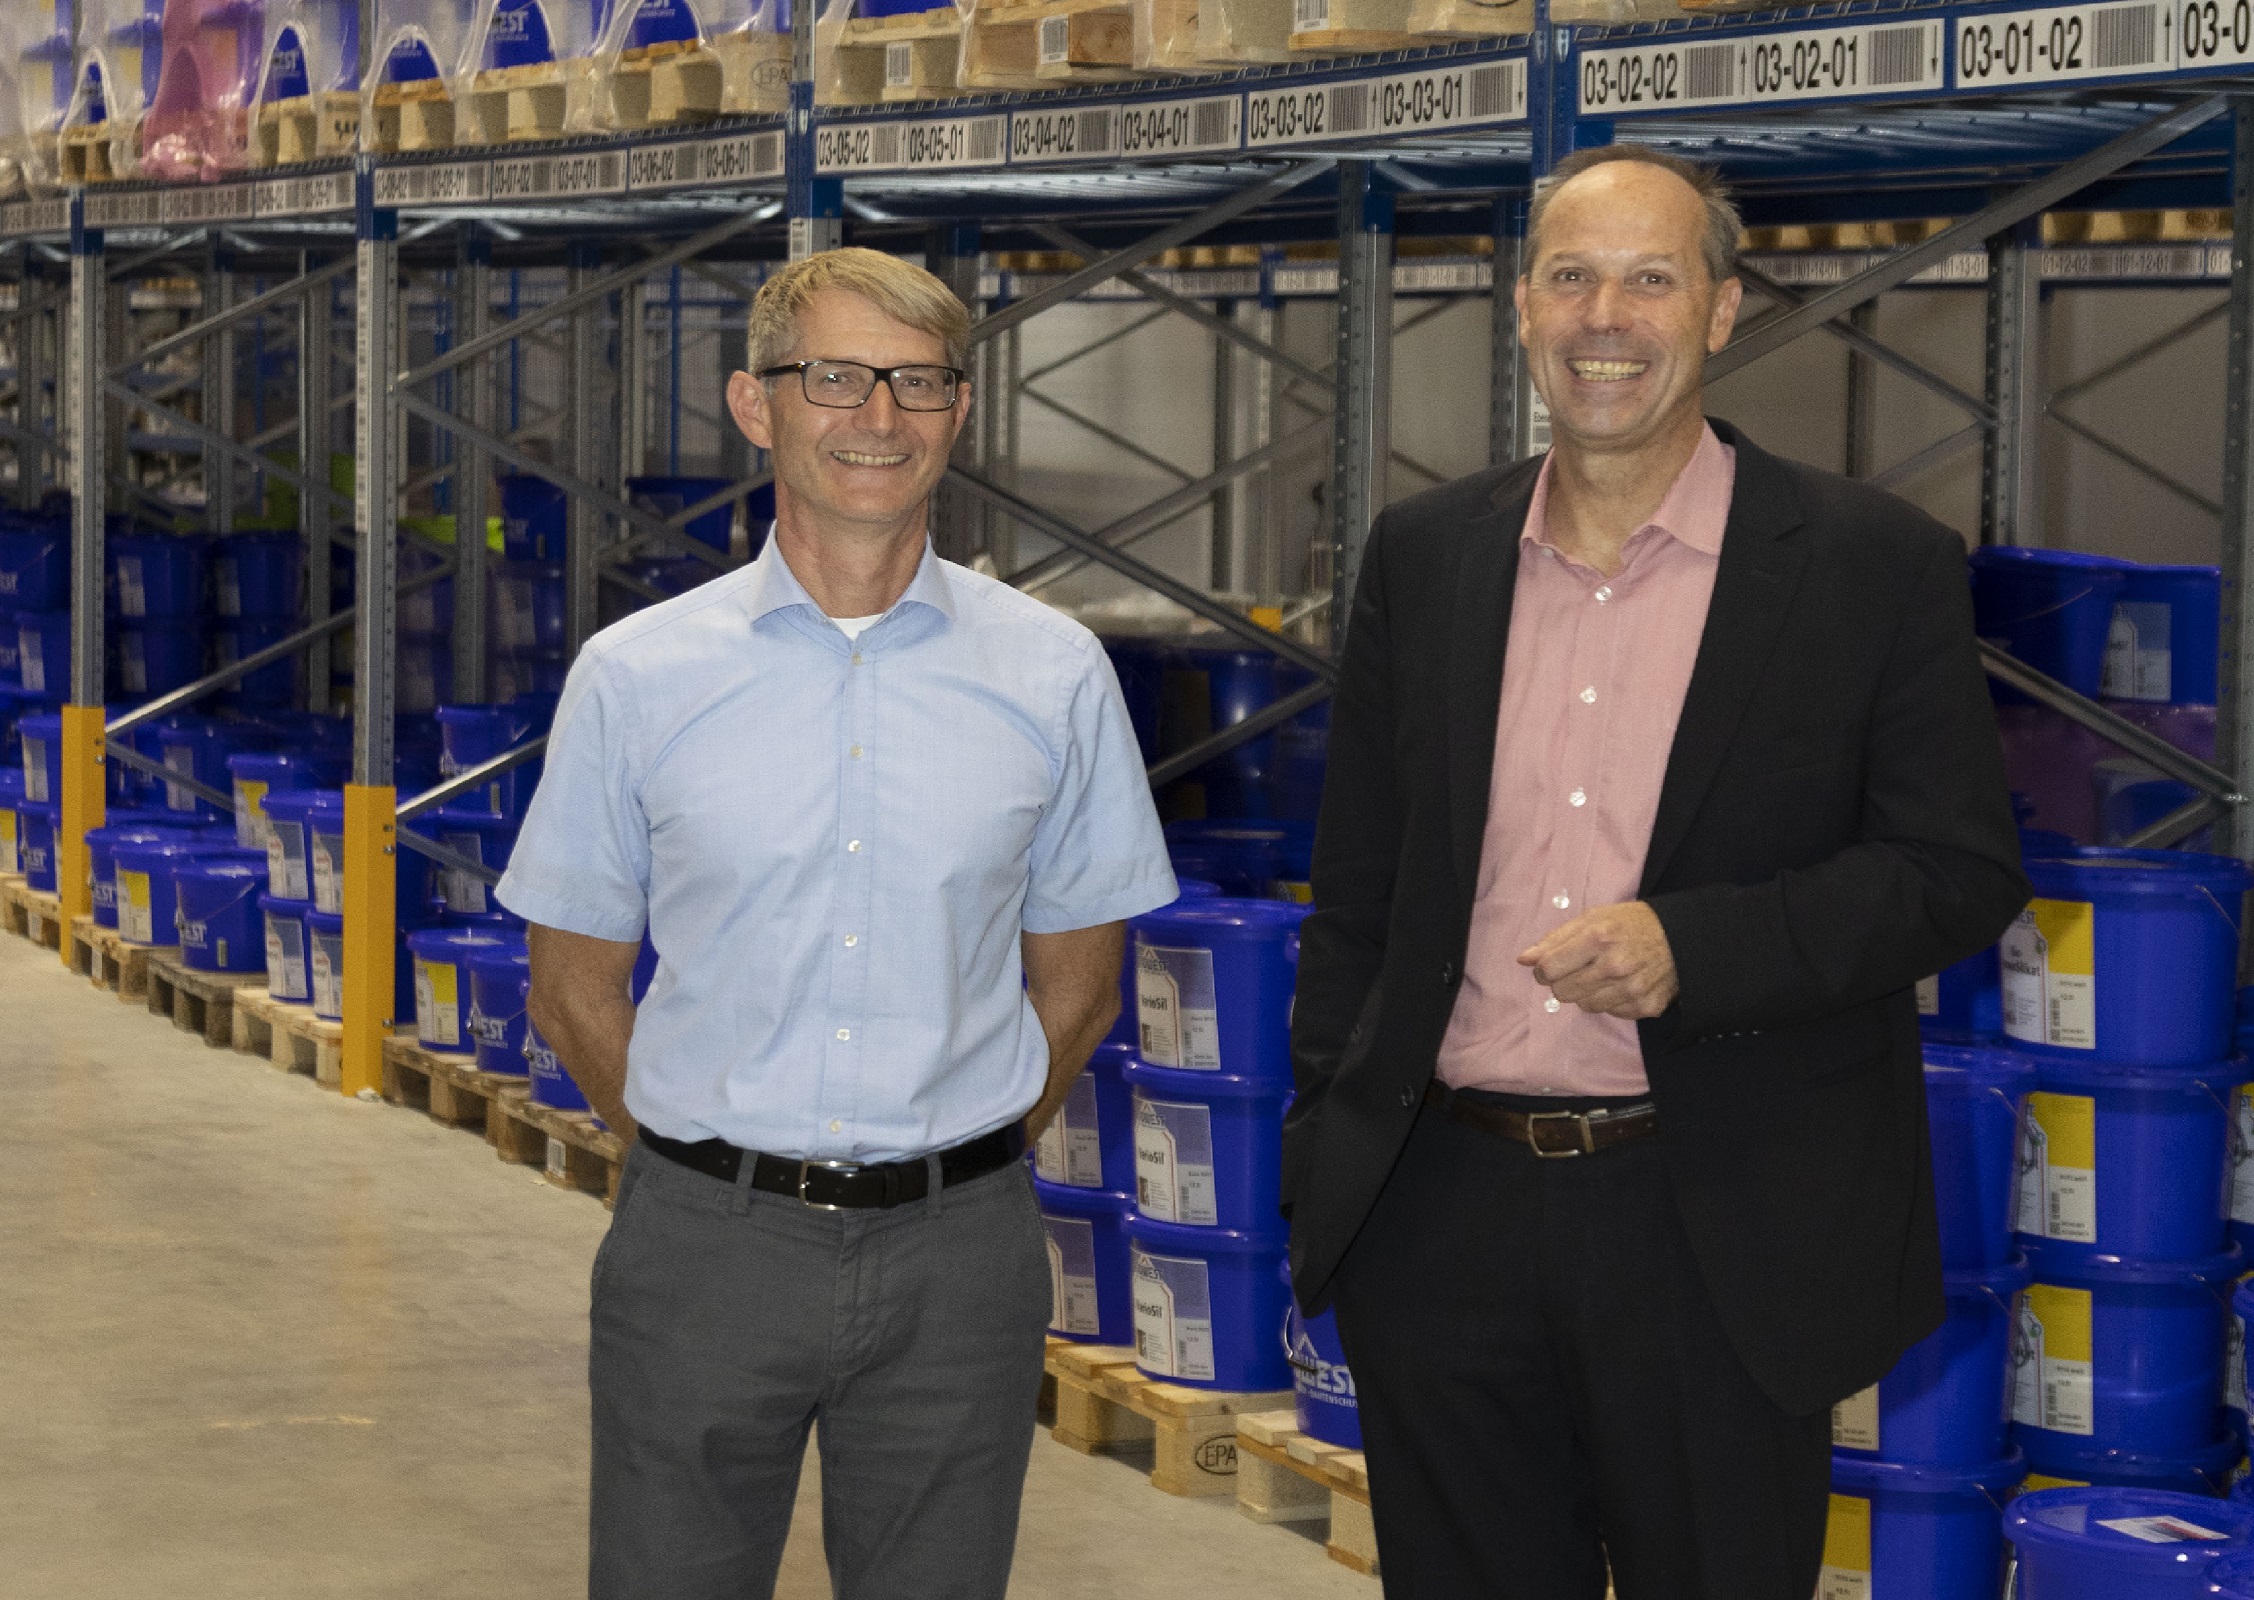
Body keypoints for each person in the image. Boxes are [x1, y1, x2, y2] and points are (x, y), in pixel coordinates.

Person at [1281, 146, 2031, 1599]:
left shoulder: (1868, 564)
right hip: (1443, 1209)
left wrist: (1705, 948)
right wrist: (1334, 1161)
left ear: (1721, 310)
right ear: (1520, 308)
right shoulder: (1429, 555)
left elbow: (1956, 869)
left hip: (1716, 1216)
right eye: (1570, 276)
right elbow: (1358, 891)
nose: (1603, 315)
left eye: (1647, 277)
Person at [498, 247, 1178, 1600]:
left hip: (960, 1258)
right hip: (704, 1248)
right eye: (836, 378)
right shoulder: (638, 679)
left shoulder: (1051, 676)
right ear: (757, 406)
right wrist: (709, 1168)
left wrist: (959, 1146)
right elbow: (573, 989)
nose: (880, 417)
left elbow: (1083, 985)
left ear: (960, 411)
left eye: (919, 382)